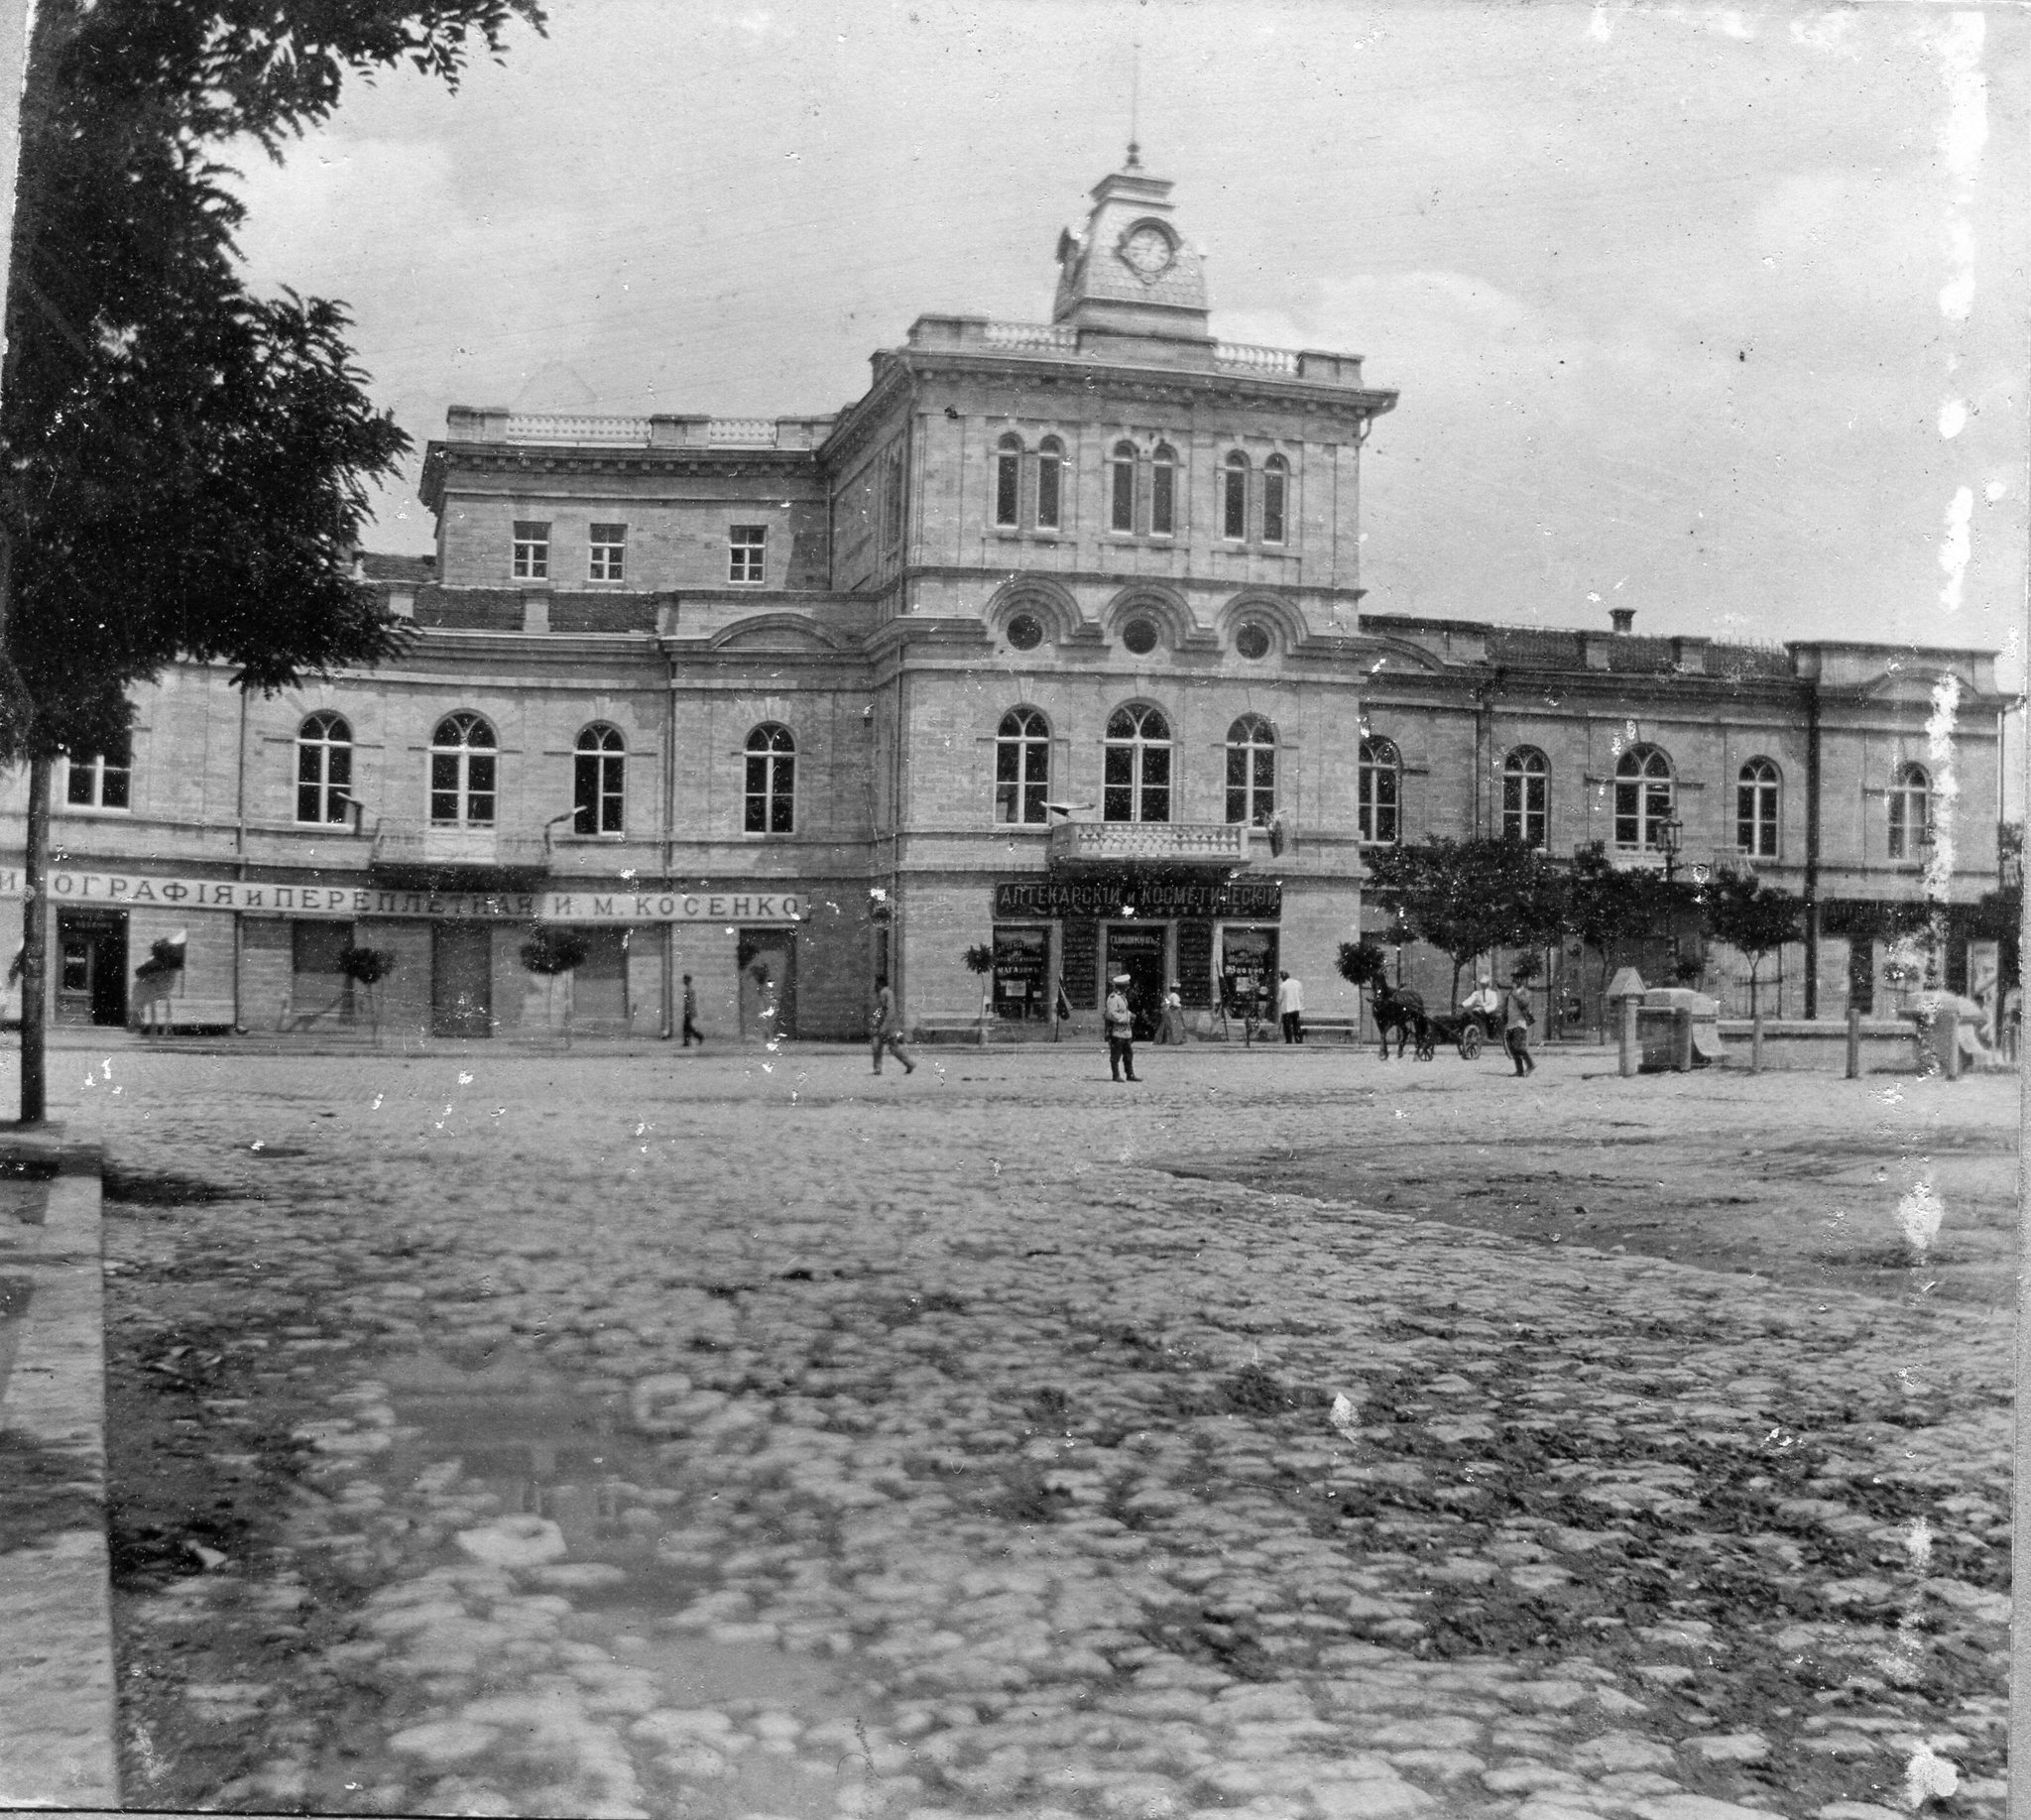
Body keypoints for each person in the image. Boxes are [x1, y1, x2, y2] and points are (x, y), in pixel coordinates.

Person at [870, 979, 915, 1075]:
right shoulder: (880, 994)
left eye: (876, 983)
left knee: (893, 1048)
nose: (875, 985)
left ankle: (909, 1064)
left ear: (880, 983)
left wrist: (884, 1026)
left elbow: (890, 1011)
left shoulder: (887, 993)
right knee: (876, 1046)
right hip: (880, 1025)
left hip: (888, 1027)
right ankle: (877, 1069)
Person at [1105, 972, 1139, 1081]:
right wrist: (1127, 1018)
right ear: (1122, 986)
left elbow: (1123, 1011)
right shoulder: (1113, 998)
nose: (1127, 988)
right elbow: (1111, 1014)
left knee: (1128, 1054)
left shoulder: (1122, 997)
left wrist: (1130, 1015)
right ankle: (1116, 1075)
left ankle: (1130, 1074)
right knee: (1116, 1055)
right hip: (1116, 1031)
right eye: (1126, 986)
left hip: (1126, 1032)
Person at [1503, 973, 1536, 1076]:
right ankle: (1519, 1070)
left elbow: (1525, 1003)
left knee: (1518, 1046)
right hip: (1511, 1023)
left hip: (1520, 1022)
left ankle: (1530, 1065)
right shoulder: (1511, 993)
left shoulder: (1525, 992)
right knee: (1512, 1048)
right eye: (1513, 979)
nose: (1514, 981)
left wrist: (1515, 995)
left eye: (1516, 979)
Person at [1276, 969, 1304, 1043]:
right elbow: (1301, 996)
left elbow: (1279, 999)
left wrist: (1278, 1003)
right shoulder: (1297, 983)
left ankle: (1289, 1040)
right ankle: (1298, 1040)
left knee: (1287, 1026)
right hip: (1296, 1007)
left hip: (1287, 1008)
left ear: (1282, 978)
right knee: (1297, 1025)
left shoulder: (1282, 986)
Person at [1158, 981, 1187, 1046]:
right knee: (1177, 1027)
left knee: (1173, 1027)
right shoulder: (1175, 996)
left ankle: (1174, 1040)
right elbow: (1174, 1004)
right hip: (1174, 1013)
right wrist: (1180, 1005)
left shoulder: (1171, 995)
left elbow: (1167, 1003)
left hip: (1172, 1012)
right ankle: (1177, 1040)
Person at [679, 973, 703, 1046]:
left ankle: (698, 1037)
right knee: (687, 1027)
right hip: (688, 1010)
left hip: (689, 1011)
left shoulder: (689, 990)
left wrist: (687, 1011)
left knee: (687, 1027)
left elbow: (690, 1002)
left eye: (685, 979)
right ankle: (688, 1041)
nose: (683, 981)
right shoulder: (688, 990)